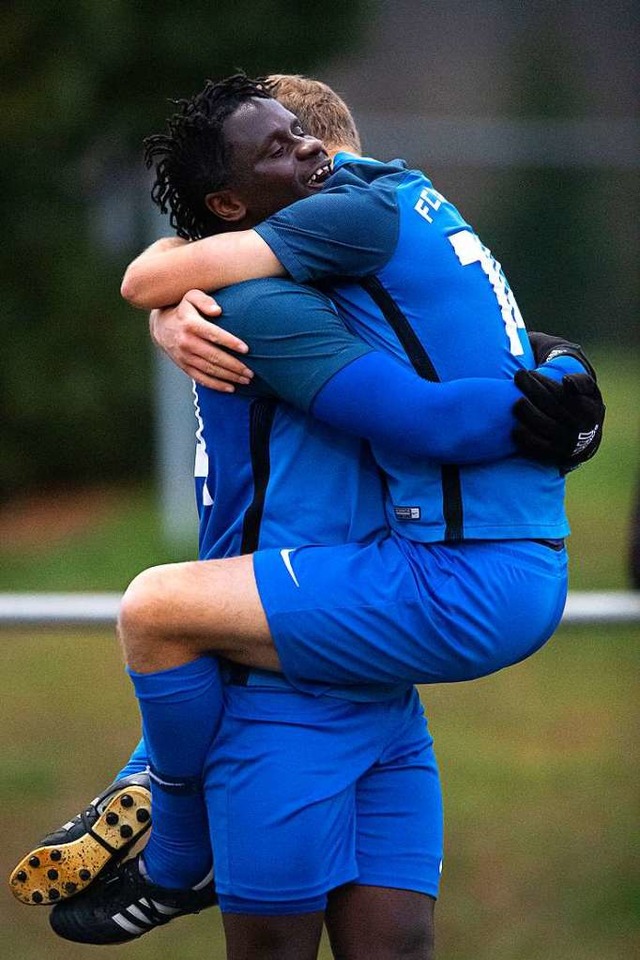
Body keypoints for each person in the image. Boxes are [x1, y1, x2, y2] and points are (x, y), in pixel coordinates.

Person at [12, 74, 603, 958]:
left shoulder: (321, 289)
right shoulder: (272, 301)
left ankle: (158, 776)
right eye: (294, 158)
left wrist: (569, 386)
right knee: (156, 610)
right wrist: (559, 404)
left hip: (368, 662)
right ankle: (175, 834)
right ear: (255, 211)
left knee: (398, 946)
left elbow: (472, 337)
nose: (350, 193)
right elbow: (417, 404)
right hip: (283, 697)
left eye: (315, 148)